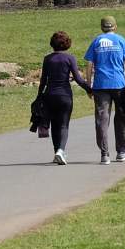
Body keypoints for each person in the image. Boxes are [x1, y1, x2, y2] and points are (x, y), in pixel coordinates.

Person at [84, 15, 125, 165]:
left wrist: (89, 85)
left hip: (100, 86)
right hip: (119, 84)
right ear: (115, 26)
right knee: (120, 118)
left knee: (102, 119)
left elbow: (89, 64)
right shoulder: (120, 40)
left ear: (102, 28)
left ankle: (104, 154)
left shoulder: (96, 41)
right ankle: (121, 151)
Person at [39, 31, 89, 165]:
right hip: (65, 95)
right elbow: (78, 79)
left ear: (52, 44)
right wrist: (89, 89)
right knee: (63, 125)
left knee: (54, 125)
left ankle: (57, 152)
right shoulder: (69, 58)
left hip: (49, 95)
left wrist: (39, 96)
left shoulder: (47, 59)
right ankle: (60, 150)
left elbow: (43, 80)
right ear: (67, 44)